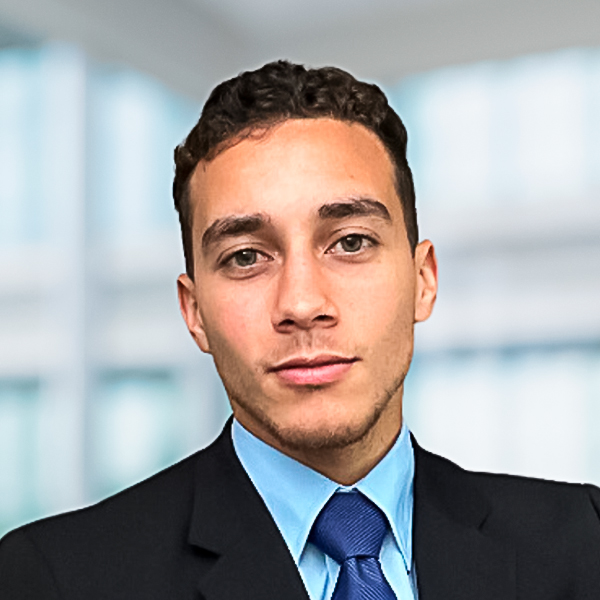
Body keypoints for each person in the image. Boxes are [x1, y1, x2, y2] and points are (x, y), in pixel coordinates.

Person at [1, 60, 600, 600]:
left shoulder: (585, 542)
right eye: (245, 257)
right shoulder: (55, 578)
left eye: (350, 242)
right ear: (194, 313)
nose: (302, 303)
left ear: (423, 280)